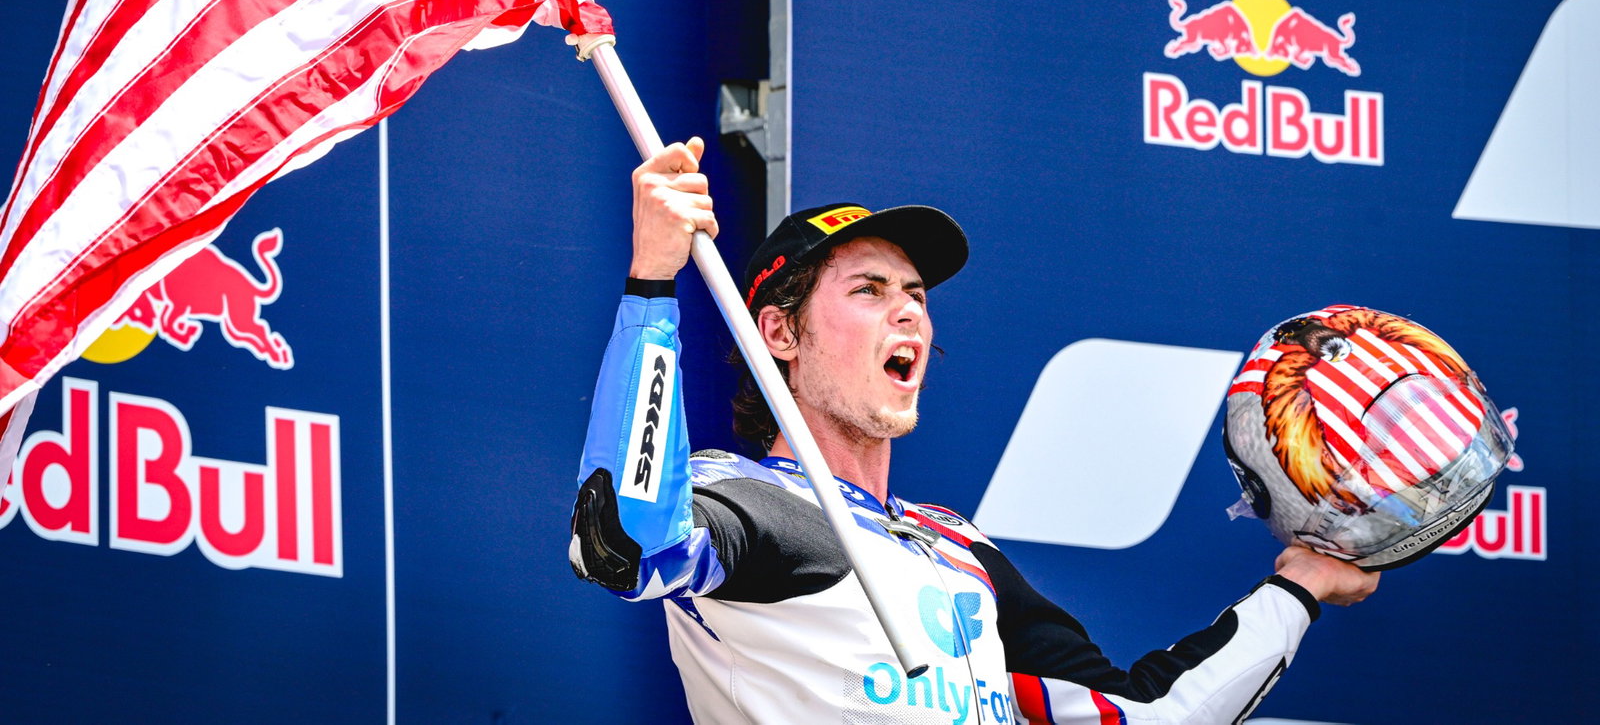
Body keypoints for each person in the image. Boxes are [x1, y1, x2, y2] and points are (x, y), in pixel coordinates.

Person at [570, 137, 1378, 724]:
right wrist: (652, 280)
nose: (908, 309)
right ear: (778, 334)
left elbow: (1147, 716)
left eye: (916, 292)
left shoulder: (959, 549)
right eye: (869, 290)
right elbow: (623, 543)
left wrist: (1298, 586)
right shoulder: (749, 502)